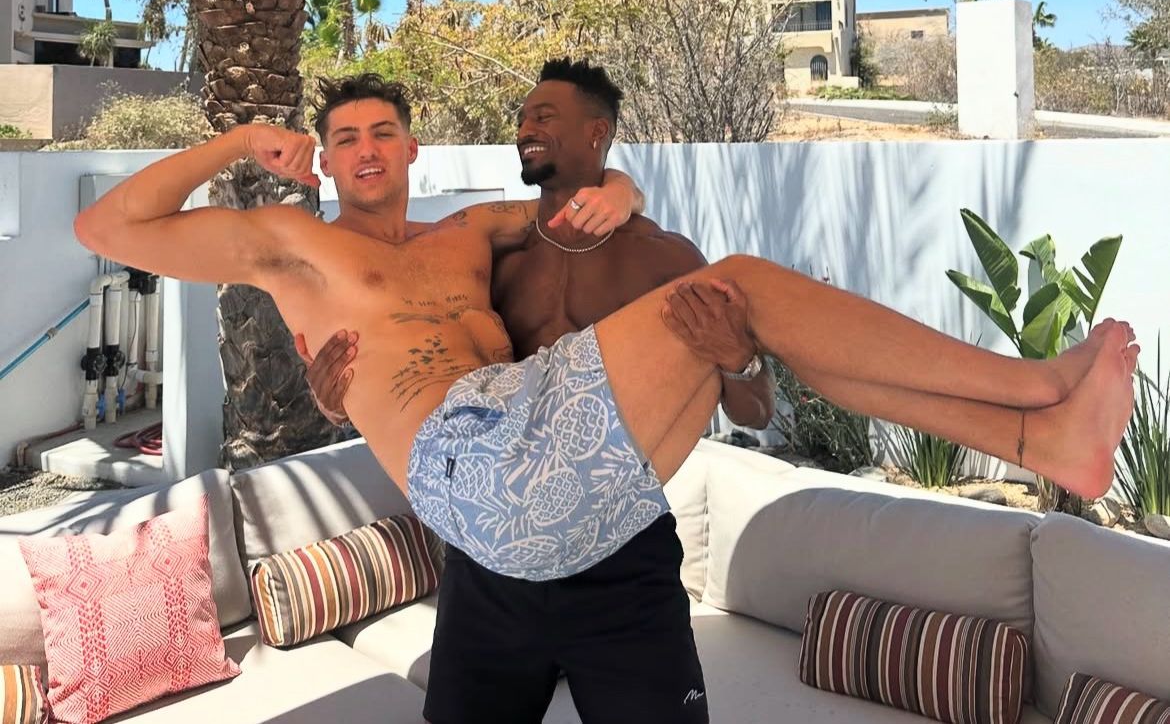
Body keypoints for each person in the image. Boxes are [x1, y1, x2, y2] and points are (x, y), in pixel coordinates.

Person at [73, 74, 1138, 588]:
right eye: (343, 136)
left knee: (743, 311)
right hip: (472, 470)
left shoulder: (469, 231)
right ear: (325, 155)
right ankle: (1035, 390)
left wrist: (624, 186)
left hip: (554, 464)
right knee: (745, 280)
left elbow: (584, 199)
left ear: (410, 146)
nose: (363, 149)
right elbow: (107, 227)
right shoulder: (289, 242)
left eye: (382, 131)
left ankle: (1037, 437)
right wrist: (237, 142)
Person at [299, 59, 776, 724]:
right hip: (492, 564)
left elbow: (755, 409)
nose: (525, 129)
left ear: (596, 133)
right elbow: (414, 377)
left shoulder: (665, 260)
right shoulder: (489, 257)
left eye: (545, 116)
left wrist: (740, 360)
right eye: (523, 118)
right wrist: (336, 397)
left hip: (619, 554)